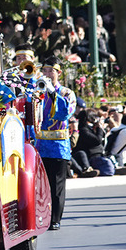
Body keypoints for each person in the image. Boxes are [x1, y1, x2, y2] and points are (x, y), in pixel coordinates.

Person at [34, 56, 76, 230]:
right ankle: (41, 216)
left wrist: (53, 93)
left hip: (58, 144)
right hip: (40, 144)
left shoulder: (67, 93)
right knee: (40, 184)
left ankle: (55, 219)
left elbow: (65, 113)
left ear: (58, 73)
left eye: (51, 70)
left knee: (57, 184)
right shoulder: (37, 91)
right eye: (44, 70)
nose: (47, 74)